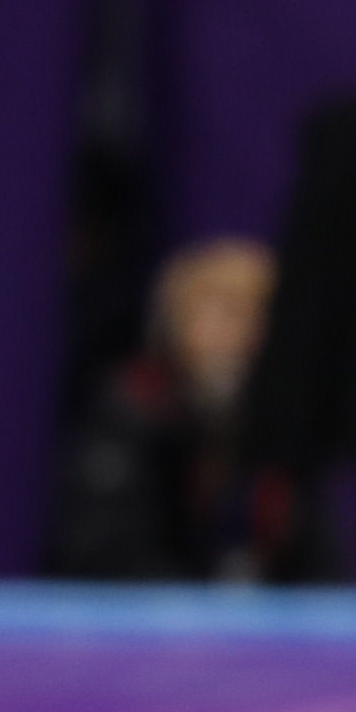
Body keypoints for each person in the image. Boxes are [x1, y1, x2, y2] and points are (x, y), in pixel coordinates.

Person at [42, 237, 285, 582]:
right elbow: (101, 558)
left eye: (255, 317)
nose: (237, 337)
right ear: (175, 326)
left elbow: (320, 572)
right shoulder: (130, 413)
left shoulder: (285, 432)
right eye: (222, 314)